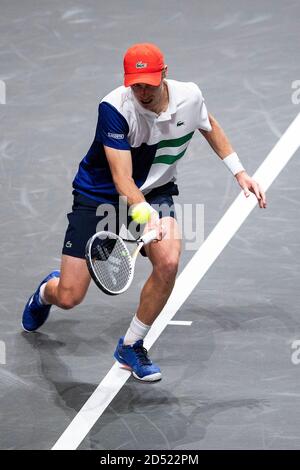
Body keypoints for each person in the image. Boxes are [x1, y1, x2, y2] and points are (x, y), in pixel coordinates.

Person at [22, 43, 266, 382]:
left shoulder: (189, 96)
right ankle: (45, 291)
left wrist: (239, 171)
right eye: (135, 83)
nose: (142, 91)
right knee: (70, 296)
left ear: (164, 74)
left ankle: (132, 345)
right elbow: (122, 180)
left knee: (167, 261)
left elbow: (207, 123)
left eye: (149, 83)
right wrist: (146, 218)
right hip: (101, 196)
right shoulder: (114, 109)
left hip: (156, 190)